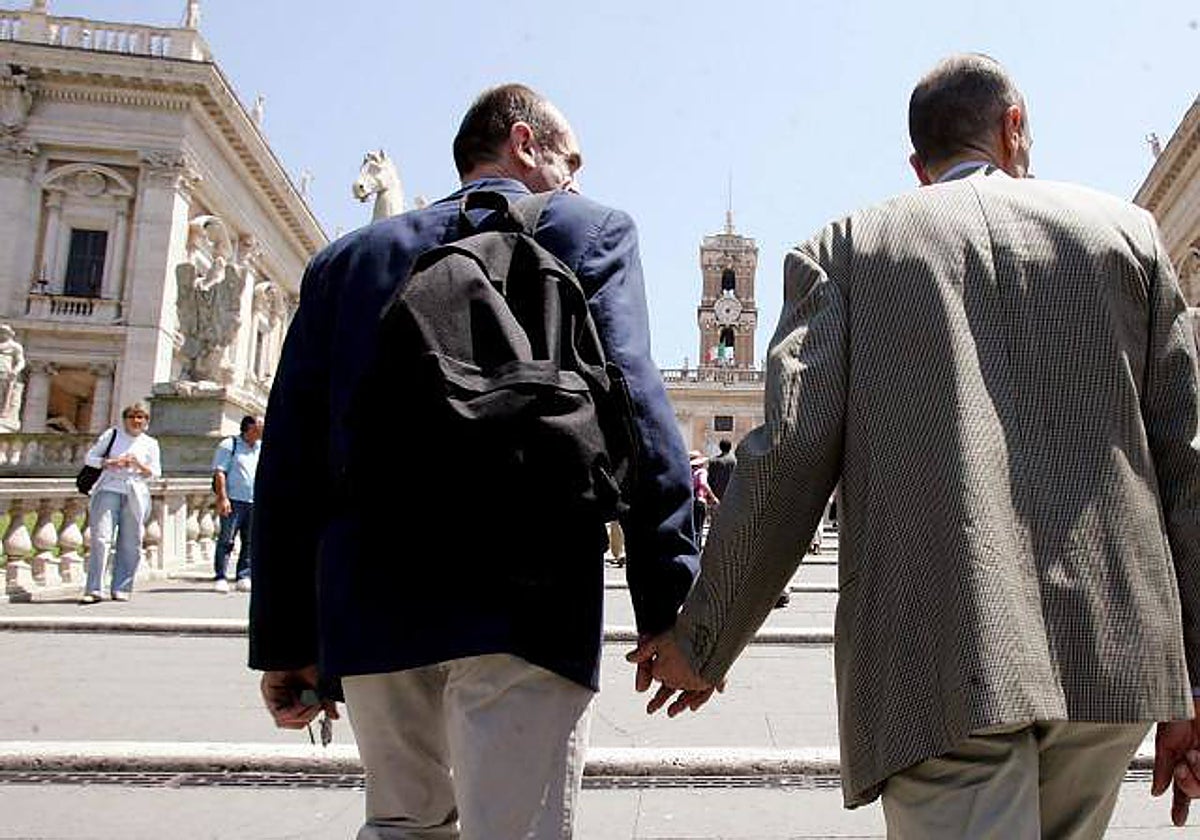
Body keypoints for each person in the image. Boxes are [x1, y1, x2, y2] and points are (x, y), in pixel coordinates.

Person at [631, 54, 1200, 837]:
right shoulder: (1129, 238)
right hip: (1112, 658)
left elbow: (789, 460)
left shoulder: (847, 250)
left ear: (916, 164)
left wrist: (704, 640)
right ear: (1015, 127)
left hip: (942, 654)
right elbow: (1186, 465)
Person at [250, 83, 697, 839]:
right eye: (571, 160)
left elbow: (291, 461)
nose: (578, 180)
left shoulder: (346, 263)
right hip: (530, 599)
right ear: (525, 143)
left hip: (373, 599)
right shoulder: (589, 232)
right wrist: (668, 605)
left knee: (400, 824)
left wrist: (290, 641)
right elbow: (636, 410)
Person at [79, 402, 161, 603]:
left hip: (135, 491)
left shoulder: (151, 443)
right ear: (125, 419)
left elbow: (156, 473)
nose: (136, 421)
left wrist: (138, 465)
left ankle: (122, 586)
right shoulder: (112, 435)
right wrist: (110, 463)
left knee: (131, 541)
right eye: (132, 417)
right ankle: (94, 588)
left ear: (146, 422)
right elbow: (89, 458)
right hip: (109, 487)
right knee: (101, 538)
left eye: (140, 417)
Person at [211, 414, 261, 593]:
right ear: (250, 428)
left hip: (254, 500)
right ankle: (220, 576)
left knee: (249, 541)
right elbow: (220, 472)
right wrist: (222, 498)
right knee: (227, 539)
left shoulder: (260, 447)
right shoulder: (229, 445)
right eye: (259, 426)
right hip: (233, 500)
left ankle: (243, 575)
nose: (263, 429)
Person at [689, 450, 718, 545]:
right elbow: (703, 483)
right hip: (700, 500)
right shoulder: (702, 471)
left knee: (693, 526)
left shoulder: (689, 471)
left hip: (690, 502)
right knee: (700, 527)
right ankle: (697, 548)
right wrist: (713, 497)